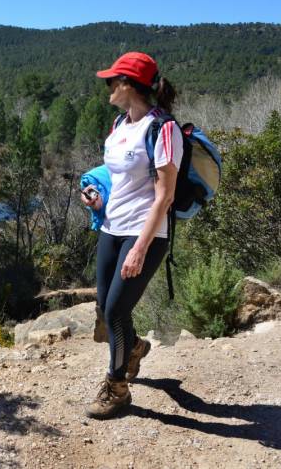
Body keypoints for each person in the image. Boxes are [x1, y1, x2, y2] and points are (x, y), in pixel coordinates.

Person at [80, 52, 183, 419]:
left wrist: (140, 247)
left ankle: (117, 388)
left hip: (145, 234)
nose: (106, 86)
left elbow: (165, 196)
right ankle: (135, 348)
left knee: (117, 309)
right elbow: (119, 180)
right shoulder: (119, 124)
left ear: (127, 85)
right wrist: (96, 199)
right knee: (106, 313)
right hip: (111, 226)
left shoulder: (163, 129)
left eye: (111, 80)